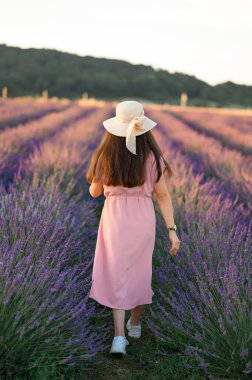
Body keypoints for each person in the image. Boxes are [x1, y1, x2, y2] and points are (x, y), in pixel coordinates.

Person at [86, 100, 180, 356]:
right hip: (142, 220)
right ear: (143, 127)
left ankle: (118, 339)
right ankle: (135, 324)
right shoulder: (153, 157)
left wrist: (99, 173)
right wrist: (172, 229)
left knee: (117, 274)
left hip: (115, 220)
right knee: (140, 271)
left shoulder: (105, 155)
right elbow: (163, 196)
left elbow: (94, 193)